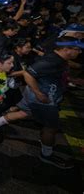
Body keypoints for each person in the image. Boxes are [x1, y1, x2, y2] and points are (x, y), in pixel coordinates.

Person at [9, 37, 84, 169]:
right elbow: (28, 74)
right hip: (43, 100)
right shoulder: (51, 61)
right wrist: (38, 93)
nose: (80, 52)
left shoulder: (59, 58)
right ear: (66, 49)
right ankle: (46, 155)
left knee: (23, 113)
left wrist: (71, 79)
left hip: (39, 96)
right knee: (51, 128)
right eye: (77, 49)